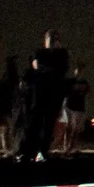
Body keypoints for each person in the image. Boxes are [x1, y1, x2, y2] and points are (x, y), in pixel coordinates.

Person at [19, 33, 69, 165]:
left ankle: (40, 152)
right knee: (34, 123)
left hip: (51, 92)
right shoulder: (40, 52)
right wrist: (49, 70)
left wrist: (45, 70)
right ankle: (28, 152)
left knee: (46, 124)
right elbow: (38, 66)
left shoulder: (62, 54)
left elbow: (61, 69)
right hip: (40, 92)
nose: (52, 42)